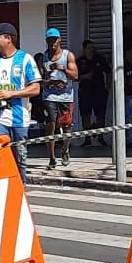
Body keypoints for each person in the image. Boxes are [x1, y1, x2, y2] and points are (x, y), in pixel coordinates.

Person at [0, 22, 40, 183]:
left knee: (20, 156)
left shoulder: (25, 59)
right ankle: (1, 188)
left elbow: (35, 88)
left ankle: (20, 187)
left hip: (19, 118)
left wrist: (11, 93)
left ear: (8, 39)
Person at [38, 27, 78, 169]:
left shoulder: (68, 56)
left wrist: (62, 69)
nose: (52, 43)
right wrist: (50, 82)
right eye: (49, 40)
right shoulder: (44, 57)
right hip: (49, 96)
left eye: (54, 40)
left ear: (59, 40)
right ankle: (51, 157)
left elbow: (75, 76)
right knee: (50, 124)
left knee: (67, 126)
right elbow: (39, 80)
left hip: (66, 97)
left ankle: (65, 150)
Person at [76, 39, 109, 142]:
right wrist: (85, 77)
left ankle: (100, 136)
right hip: (85, 91)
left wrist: (108, 87)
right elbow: (74, 77)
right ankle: (87, 138)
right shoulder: (79, 61)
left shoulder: (100, 59)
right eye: (88, 48)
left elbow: (109, 72)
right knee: (86, 114)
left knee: (100, 114)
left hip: (99, 90)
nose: (91, 50)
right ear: (84, 49)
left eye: (92, 48)